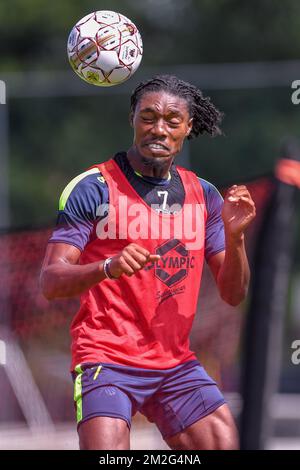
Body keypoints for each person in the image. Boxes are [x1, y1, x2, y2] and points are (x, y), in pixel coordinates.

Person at [40, 75, 256, 450]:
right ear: (132, 119)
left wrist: (235, 239)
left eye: (172, 121)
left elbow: (233, 294)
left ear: (188, 128)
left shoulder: (203, 195)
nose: (159, 128)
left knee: (223, 442)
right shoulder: (93, 187)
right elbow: (51, 281)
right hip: (107, 360)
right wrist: (108, 266)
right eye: (148, 116)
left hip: (175, 364)